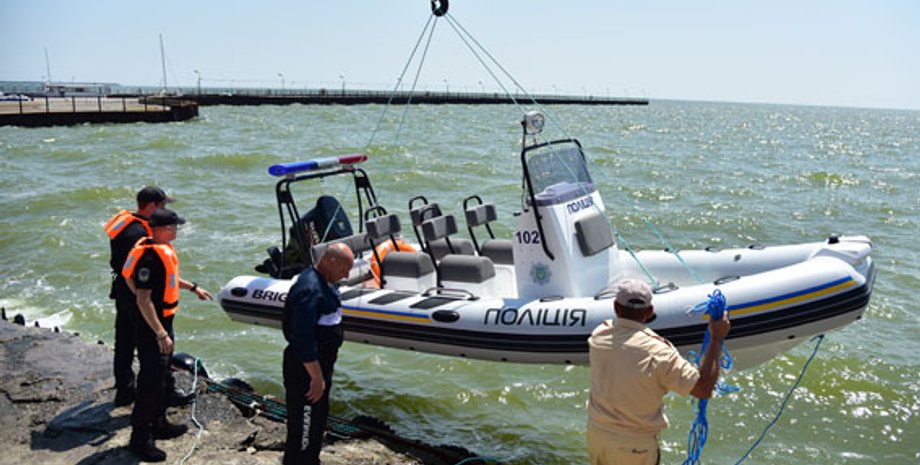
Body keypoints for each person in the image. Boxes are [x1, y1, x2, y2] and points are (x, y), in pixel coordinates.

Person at [586, 280, 731, 465]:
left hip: (598, 437)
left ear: (616, 306)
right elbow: (702, 389)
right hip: (634, 447)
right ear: (649, 312)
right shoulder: (659, 352)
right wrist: (717, 338)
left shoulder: (599, 335)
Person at [122, 208, 213, 462]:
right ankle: (140, 439)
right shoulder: (148, 258)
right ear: (162, 229)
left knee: (163, 375)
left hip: (163, 322)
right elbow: (143, 298)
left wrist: (193, 287)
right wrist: (160, 333)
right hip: (154, 327)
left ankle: (160, 423)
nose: (177, 230)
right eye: (174, 226)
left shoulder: (161, 249)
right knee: (150, 381)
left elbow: (169, 278)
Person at [282, 242, 354, 465]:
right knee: (304, 423)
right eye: (344, 269)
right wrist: (316, 377)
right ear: (330, 261)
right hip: (306, 369)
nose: (347, 275)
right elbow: (301, 338)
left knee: (318, 419)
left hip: (320, 367)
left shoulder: (327, 283)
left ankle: (311, 459)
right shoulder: (310, 289)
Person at [104, 186, 170, 406]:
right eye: (162, 206)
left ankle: (124, 389)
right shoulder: (140, 235)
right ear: (151, 206)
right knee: (150, 343)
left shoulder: (126, 224)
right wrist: (145, 301)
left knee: (123, 340)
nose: (164, 211)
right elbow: (137, 270)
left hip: (121, 289)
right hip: (136, 291)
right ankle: (159, 392)